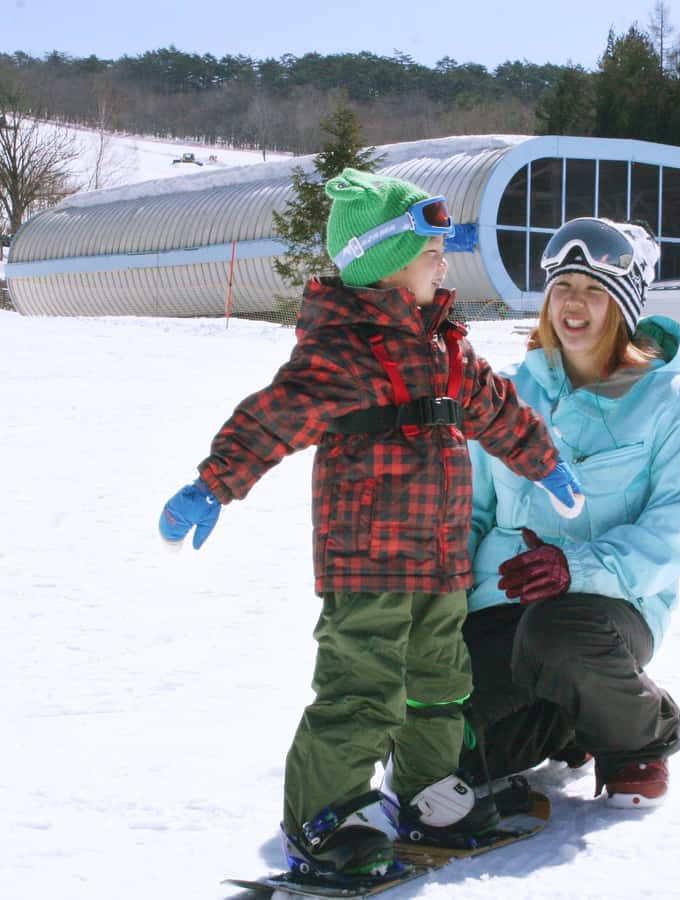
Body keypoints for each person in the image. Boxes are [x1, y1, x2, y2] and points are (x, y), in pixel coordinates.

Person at [157, 168, 583, 884]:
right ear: (388, 269)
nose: (442, 264)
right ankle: (325, 818)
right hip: (369, 558)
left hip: (441, 556)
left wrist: (543, 461)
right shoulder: (343, 351)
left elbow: (493, 406)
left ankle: (426, 793)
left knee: (440, 682)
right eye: (429, 254)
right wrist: (213, 483)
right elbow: (272, 418)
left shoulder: (448, 345)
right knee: (363, 688)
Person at [462, 217, 680, 809]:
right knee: (445, 742)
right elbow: (471, 511)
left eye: (594, 291)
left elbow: (671, 538)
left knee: (558, 632)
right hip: (501, 601)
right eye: (563, 288)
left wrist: (573, 568)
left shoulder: (669, 406)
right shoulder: (507, 396)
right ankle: (571, 719)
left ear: (622, 307)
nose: (574, 304)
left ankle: (642, 737)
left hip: (606, 612)